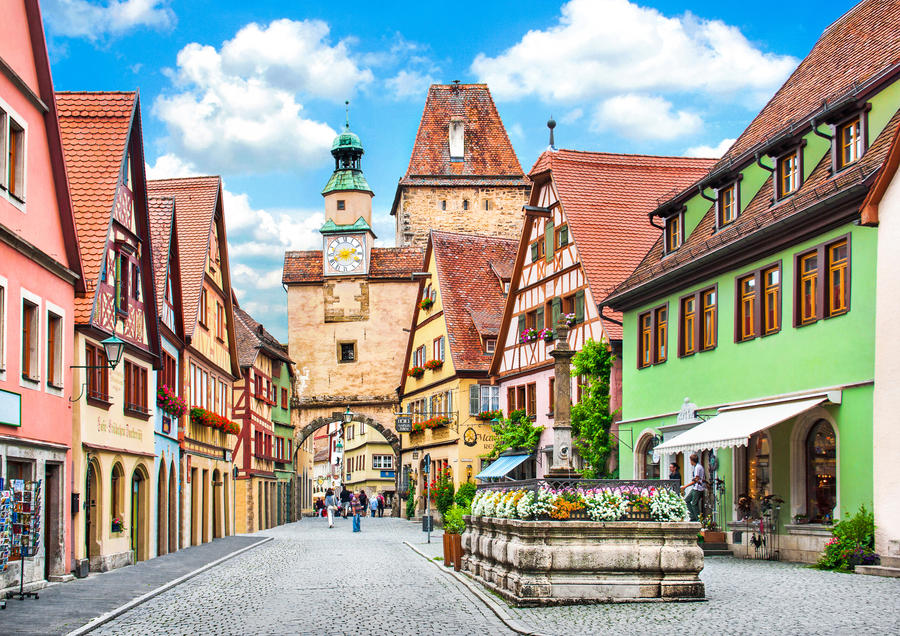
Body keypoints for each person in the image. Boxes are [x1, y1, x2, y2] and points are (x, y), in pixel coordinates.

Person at [680, 453, 705, 522]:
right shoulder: (697, 466)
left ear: (692, 460)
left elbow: (696, 480)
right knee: (686, 500)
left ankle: (698, 519)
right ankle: (692, 516)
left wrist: (685, 486)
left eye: (690, 460)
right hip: (695, 488)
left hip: (698, 488)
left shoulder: (698, 467)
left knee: (694, 504)